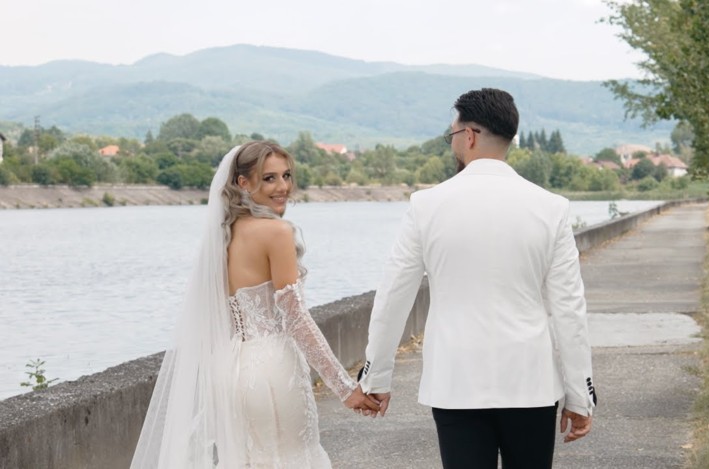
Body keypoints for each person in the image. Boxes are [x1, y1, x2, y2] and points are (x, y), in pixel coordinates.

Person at [358, 88, 596, 468]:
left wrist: (376, 379)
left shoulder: (426, 206)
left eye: (451, 135)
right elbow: (569, 308)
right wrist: (580, 395)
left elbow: (393, 297)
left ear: (468, 135)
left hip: (456, 381)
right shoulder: (552, 208)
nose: (453, 142)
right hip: (530, 381)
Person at [131, 141, 379, 469]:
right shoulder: (277, 232)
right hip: (274, 370)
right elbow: (296, 319)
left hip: (232, 370)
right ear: (243, 183)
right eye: (269, 178)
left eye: (286, 176)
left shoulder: (224, 235)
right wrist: (345, 388)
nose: (283, 187)